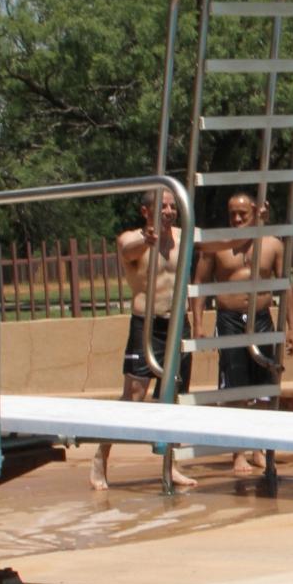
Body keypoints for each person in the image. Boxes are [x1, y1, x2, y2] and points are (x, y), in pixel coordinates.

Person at [92, 189, 198, 492]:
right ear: (145, 212)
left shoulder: (184, 236)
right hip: (146, 325)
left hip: (177, 324)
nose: (169, 211)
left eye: (172, 206)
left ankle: (171, 464)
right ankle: (101, 456)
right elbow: (128, 251)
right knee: (134, 397)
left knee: (174, 397)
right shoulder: (130, 239)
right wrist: (146, 240)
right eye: (163, 206)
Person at [194, 192, 293, 475]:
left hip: (262, 319)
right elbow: (200, 283)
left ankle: (259, 448)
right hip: (229, 321)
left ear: (255, 212)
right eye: (233, 214)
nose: (238, 219)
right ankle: (237, 453)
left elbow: (286, 286)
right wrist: (198, 326)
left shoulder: (272, 244)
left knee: (264, 388)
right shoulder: (217, 246)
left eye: (243, 213)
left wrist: (292, 327)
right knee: (235, 389)